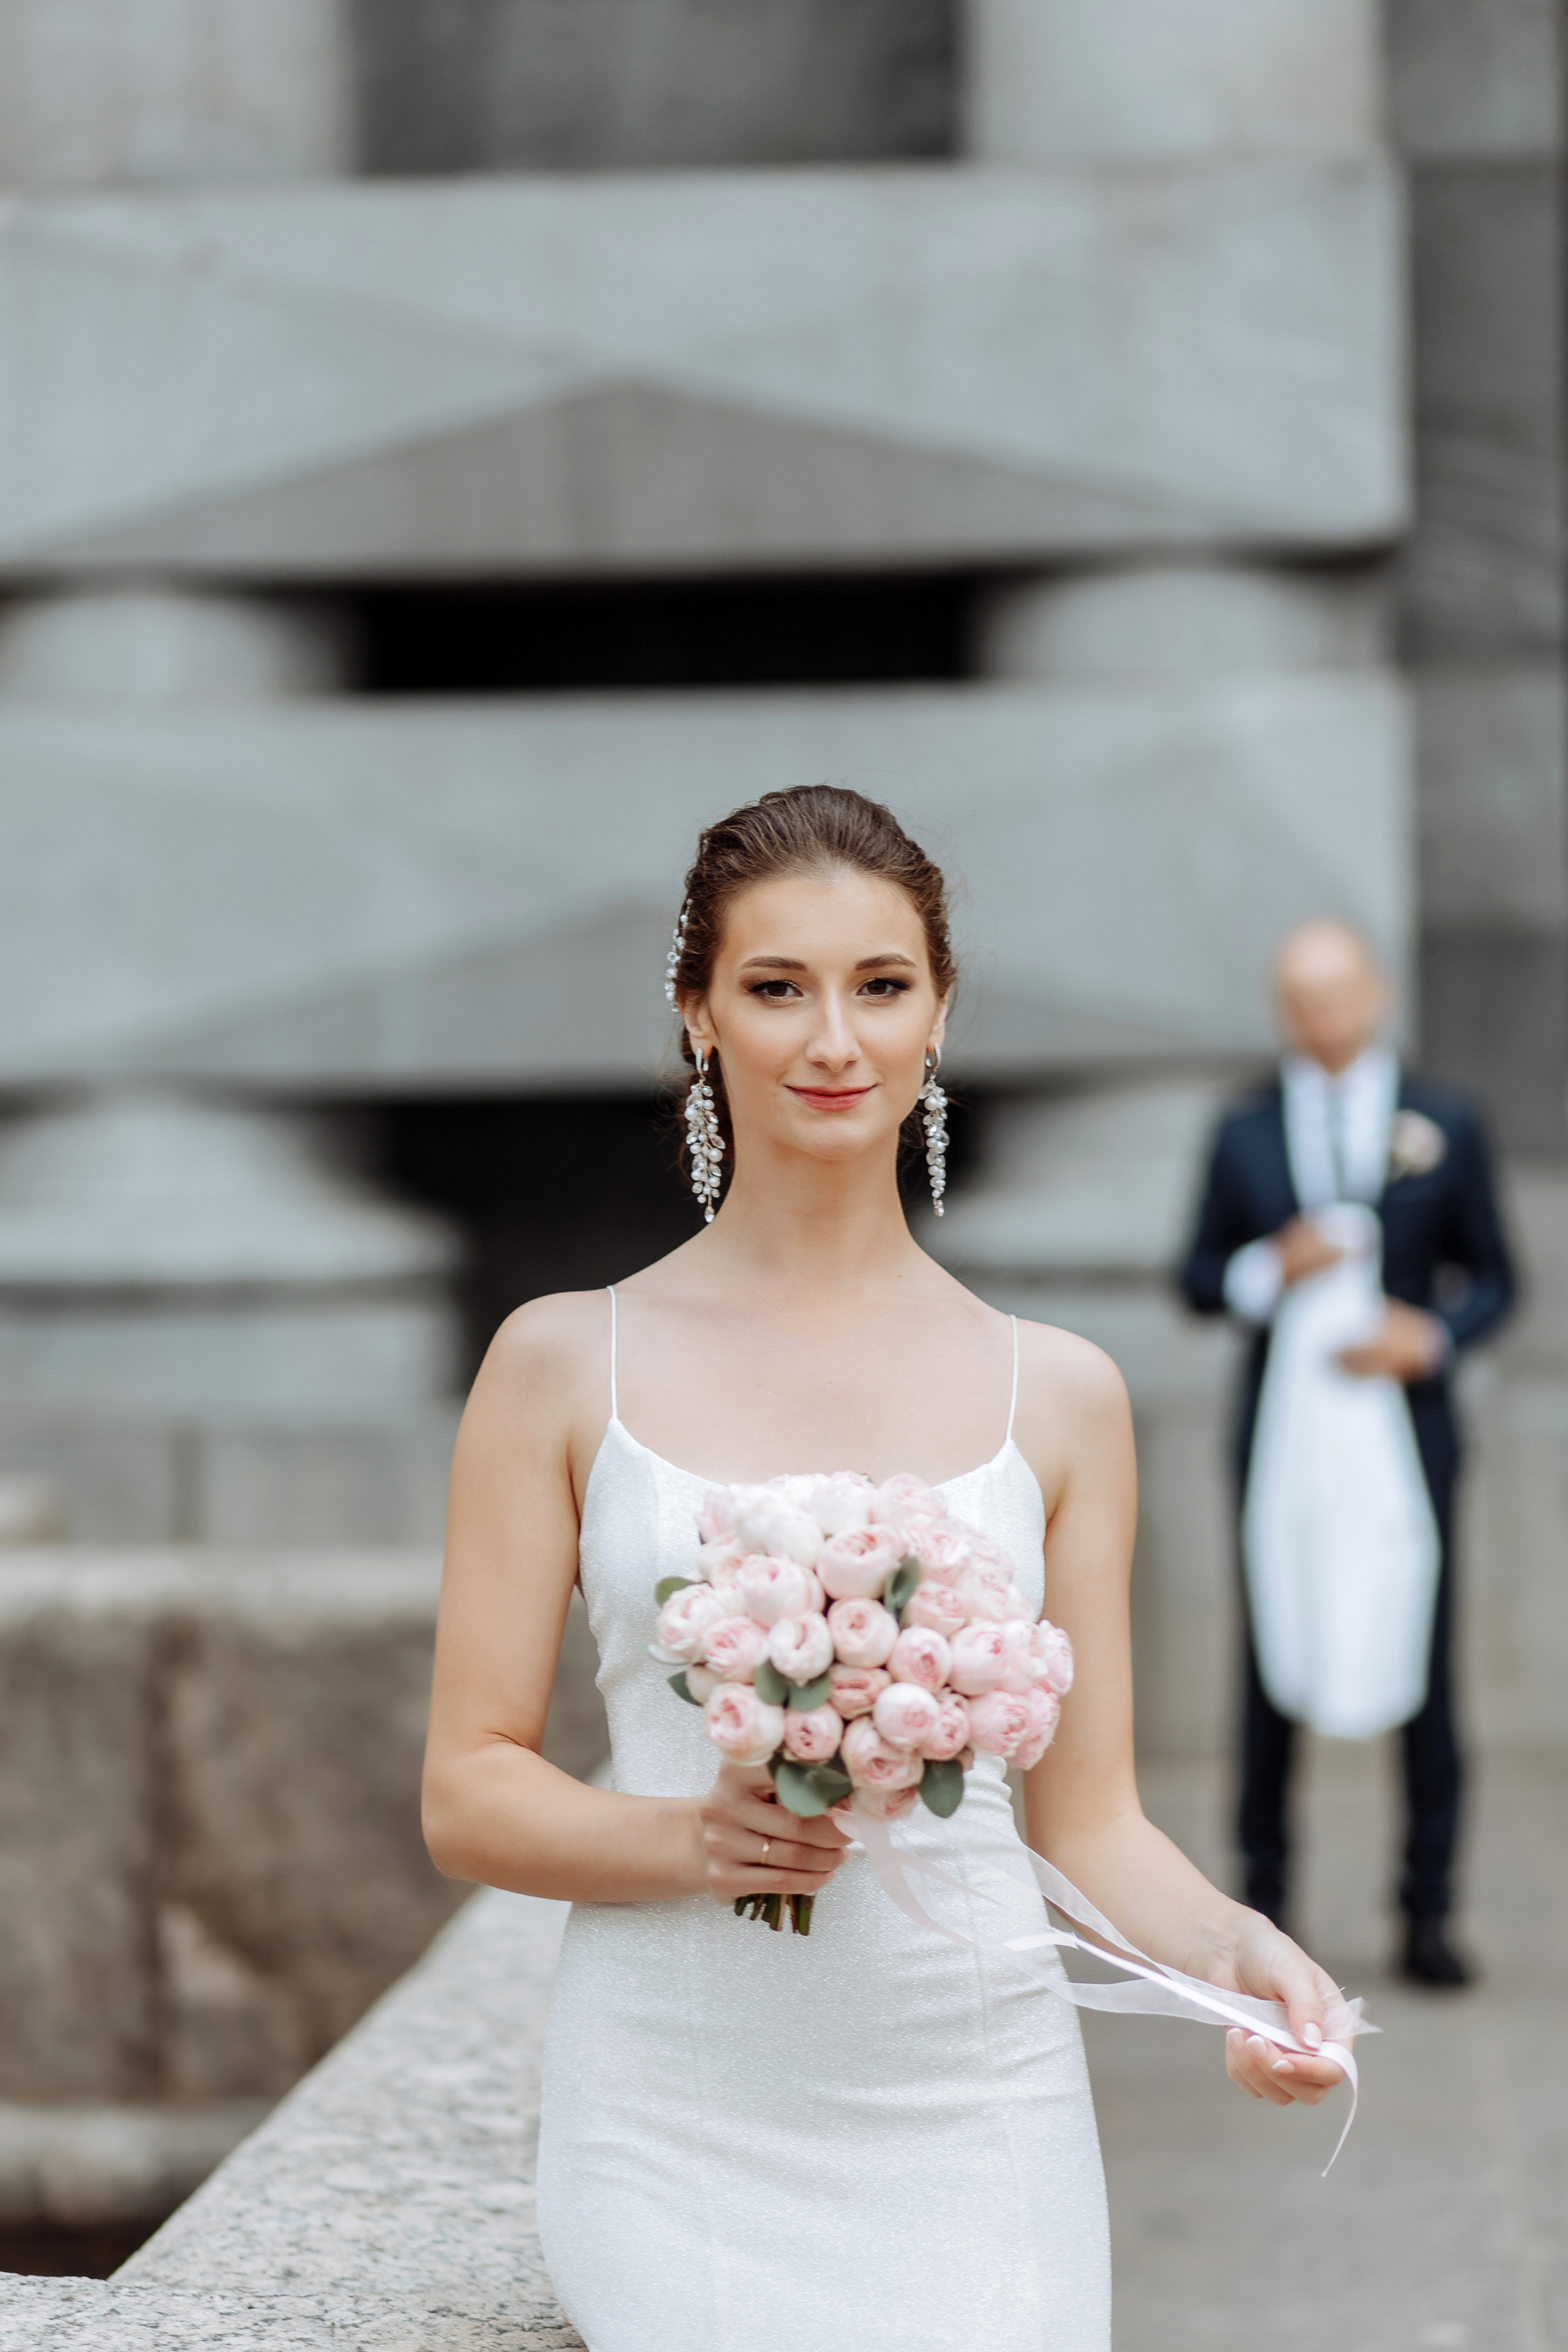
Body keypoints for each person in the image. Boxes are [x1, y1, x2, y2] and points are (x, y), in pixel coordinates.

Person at [423, 788, 1350, 2352]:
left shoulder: (1053, 1393)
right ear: (696, 1018)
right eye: (774, 987)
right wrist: (692, 1841)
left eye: (879, 985)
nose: (829, 1039)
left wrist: (1238, 1961)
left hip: (974, 2098)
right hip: (676, 2107)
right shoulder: (560, 1363)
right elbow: (466, 1790)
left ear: (937, 1016)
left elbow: (1089, 1820)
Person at [1179, 921, 1515, 1988]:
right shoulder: (1242, 1129)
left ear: (1374, 995)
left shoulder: (1445, 1120)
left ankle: (1427, 1910)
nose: (1322, 1018)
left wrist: (1435, 1337)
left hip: (1407, 1439)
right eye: (1302, 999)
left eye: (1338, 995)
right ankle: (1265, 1905)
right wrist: (1270, 1265)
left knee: (1421, 1655)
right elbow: (1194, 1278)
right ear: (1285, 1010)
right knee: (1271, 1658)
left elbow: (1500, 1278)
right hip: (1283, 1441)